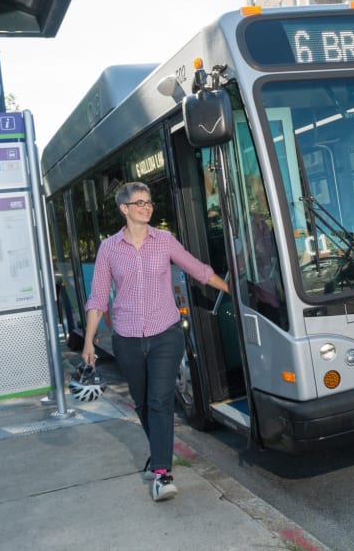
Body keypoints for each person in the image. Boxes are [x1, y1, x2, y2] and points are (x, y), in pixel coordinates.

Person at [82, 182, 229, 502]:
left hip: (165, 334)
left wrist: (233, 292)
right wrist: (89, 341)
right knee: (143, 402)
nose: (147, 207)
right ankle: (158, 452)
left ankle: (162, 473)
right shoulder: (109, 248)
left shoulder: (164, 241)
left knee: (161, 401)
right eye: (139, 203)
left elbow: (198, 270)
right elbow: (97, 297)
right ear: (124, 209)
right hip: (128, 338)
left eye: (149, 202)